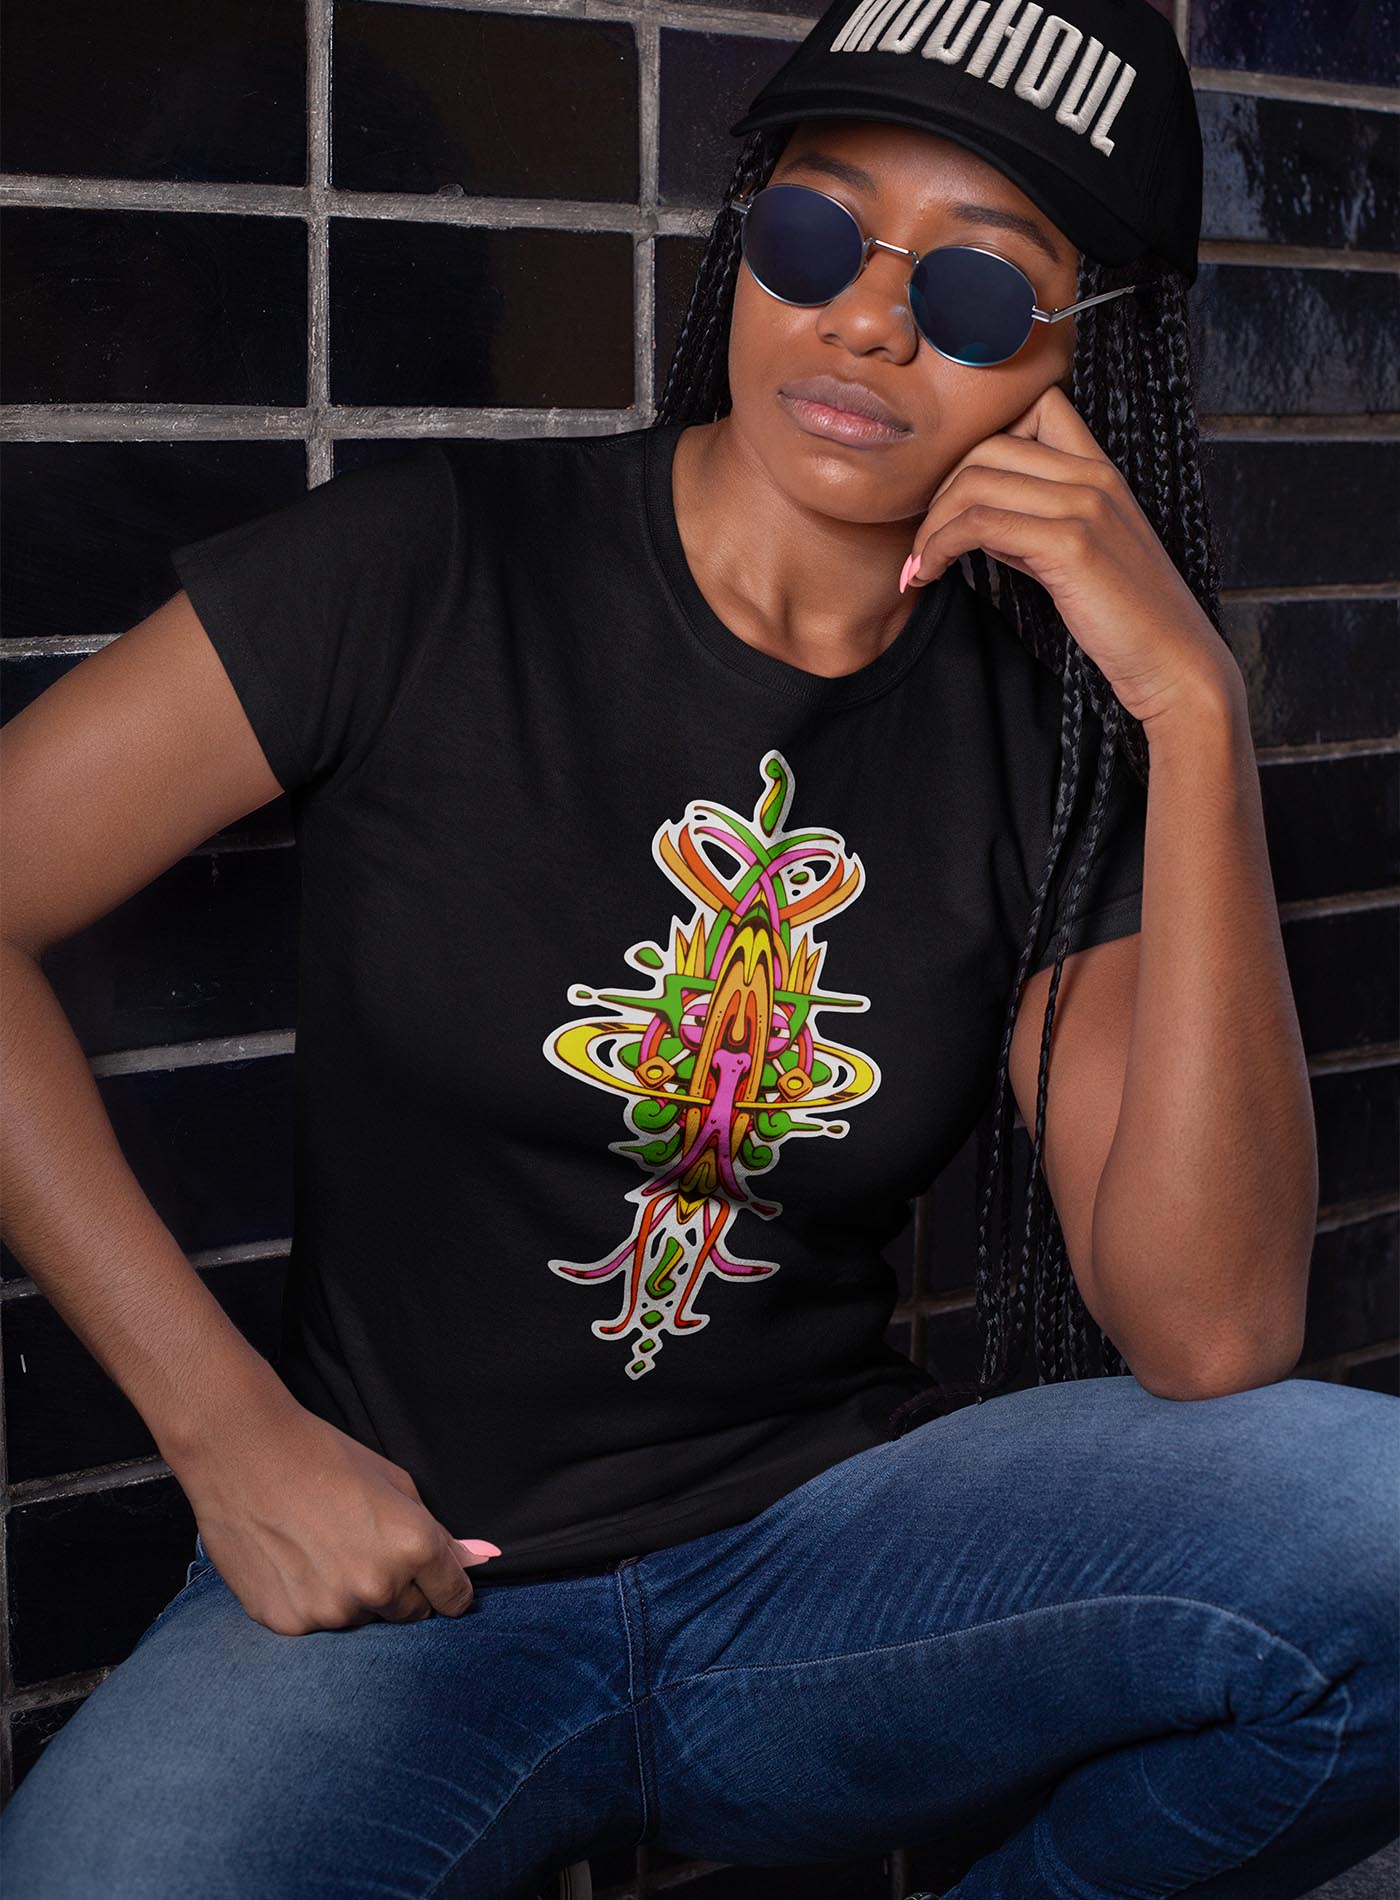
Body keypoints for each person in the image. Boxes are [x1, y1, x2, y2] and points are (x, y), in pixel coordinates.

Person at [1, 0, 1395, 1894]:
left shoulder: (1050, 743)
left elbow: (1216, 1333)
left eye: (982, 293)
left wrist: (1193, 714)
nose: (870, 322)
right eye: (820, 234)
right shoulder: (429, 568)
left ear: (1080, 368)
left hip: (827, 1580)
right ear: (747, 238)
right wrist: (230, 1431)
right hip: (419, 1589)